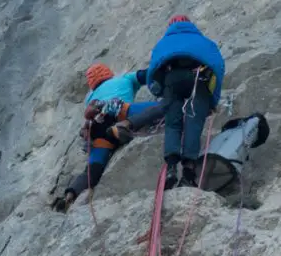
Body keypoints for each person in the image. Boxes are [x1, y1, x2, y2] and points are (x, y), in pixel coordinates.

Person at [52, 63, 164, 212]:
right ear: (109, 73)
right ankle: (121, 128)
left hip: (97, 128)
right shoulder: (124, 79)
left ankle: (70, 195)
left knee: (93, 170)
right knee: (160, 108)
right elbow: (147, 74)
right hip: (119, 111)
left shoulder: (91, 97)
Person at [146, 15, 226, 189]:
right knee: (193, 122)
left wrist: (160, 91)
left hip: (172, 80)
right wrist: (212, 100)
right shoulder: (203, 41)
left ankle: (171, 168)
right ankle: (189, 171)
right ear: (190, 25)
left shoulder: (163, 43)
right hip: (199, 79)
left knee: (173, 124)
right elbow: (218, 67)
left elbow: (153, 71)